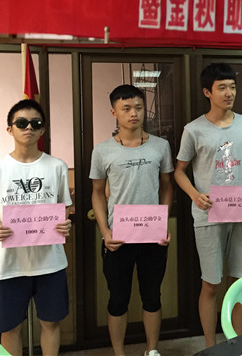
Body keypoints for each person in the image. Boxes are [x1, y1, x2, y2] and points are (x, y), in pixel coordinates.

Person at [174, 62, 242, 347]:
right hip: (208, 214)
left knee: (240, 282)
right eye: (222, 88)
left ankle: (236, 344)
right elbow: (179, 171)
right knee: (211, 283)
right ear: (207, 92)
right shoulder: (193, 130)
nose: (229, 93)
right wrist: (194, 194)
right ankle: (211, 346)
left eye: (233, 87)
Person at [0, 99, 72, 356]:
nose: (29, 127)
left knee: (51, 322)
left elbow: (64, 206)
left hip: (50, 261)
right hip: (9, 264)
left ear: (42, 130)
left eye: (35, 123)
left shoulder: (57, 166)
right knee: (9, 328)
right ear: (10, 129)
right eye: (21, 123)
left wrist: (63, 223)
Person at [90, 84, 173, 356]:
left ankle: (152, 350)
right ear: (114, 112)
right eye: (126, 108)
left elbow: (167, 187)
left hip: (153, 236)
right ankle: (119, 353)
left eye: (138, 107)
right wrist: (105, 231)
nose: (133, 113)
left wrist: (163, 223)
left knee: (152, 297)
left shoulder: (160, 146)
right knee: (117, 299)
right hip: (118, 238)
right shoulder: (102, 151)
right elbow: (97, 193)